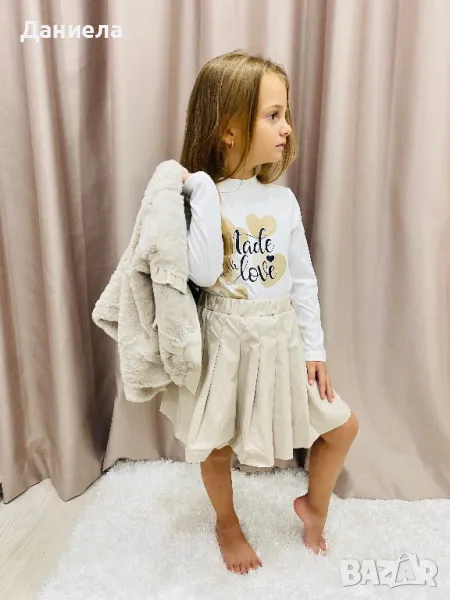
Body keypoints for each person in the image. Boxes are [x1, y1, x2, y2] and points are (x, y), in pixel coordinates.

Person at [159, 50, 359, 575]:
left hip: (281, 340)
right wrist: (201, 190)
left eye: (285, 114)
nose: (287, 127)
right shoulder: (199, 198)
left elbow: (303, 280)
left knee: (341, 427)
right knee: (216, 445)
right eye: (273, 115)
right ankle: (227, 523)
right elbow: (203, 271)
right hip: (224, 342)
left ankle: (314, 506)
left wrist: (315, 350)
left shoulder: (283, 202)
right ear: (228, 129)